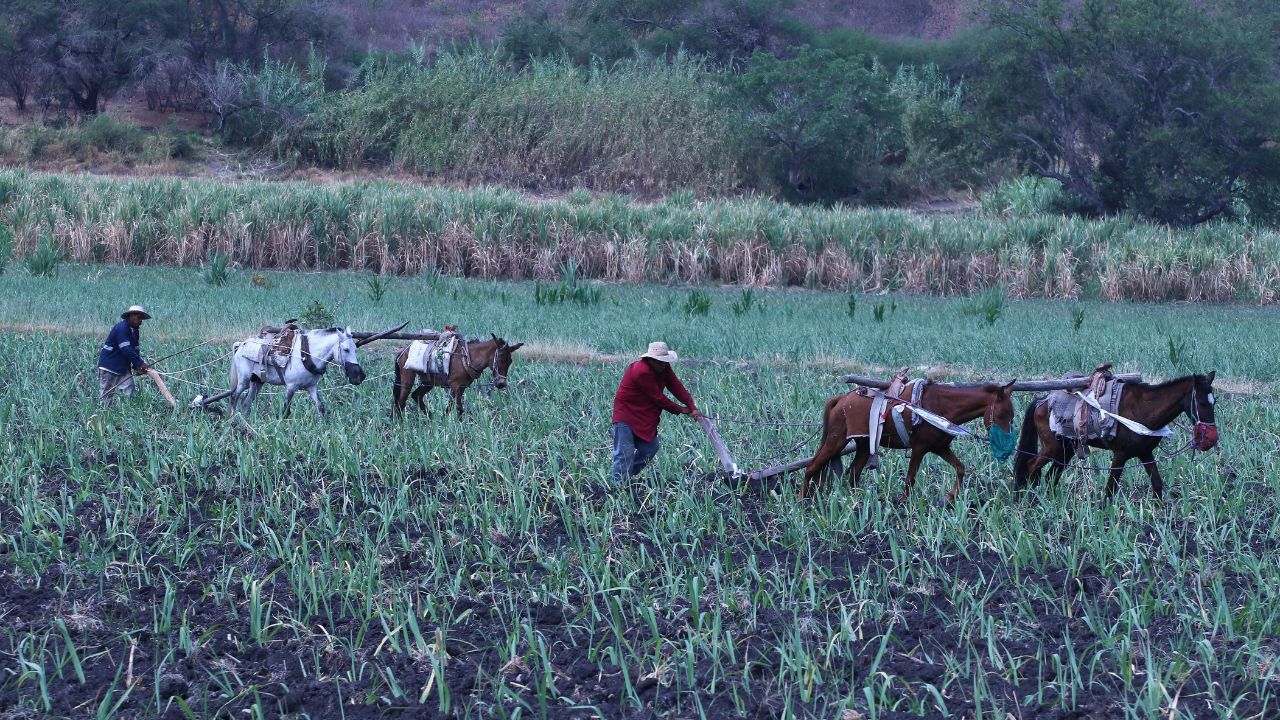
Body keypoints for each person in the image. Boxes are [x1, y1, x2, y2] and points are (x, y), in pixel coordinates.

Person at [610, 341, 700, 484]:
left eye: (665, 361)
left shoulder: (664, 368)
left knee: (651, 447)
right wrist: (682, 409)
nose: (663, 364)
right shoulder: (641, 371)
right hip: (626, 414)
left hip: (644, 415)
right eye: (660, 362)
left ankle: (625, 476)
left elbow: (676, 386)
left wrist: (692, 406)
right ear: (650, 359)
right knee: (624, 454)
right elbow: (657, 397)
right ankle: (617, 487)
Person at [97, 305, 152, 407]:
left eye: (141, 318)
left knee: (129, 389)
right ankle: (103, 415)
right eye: (138, 317)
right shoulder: (121, 329)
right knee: (106, 394)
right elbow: (126, 349)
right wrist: (141, 363)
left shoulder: (135, 331)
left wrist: (137, 367)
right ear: (130, 316)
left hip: (122, 367)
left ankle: (129, 413)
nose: (141, 321)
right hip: (109, 366)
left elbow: (135, 350)